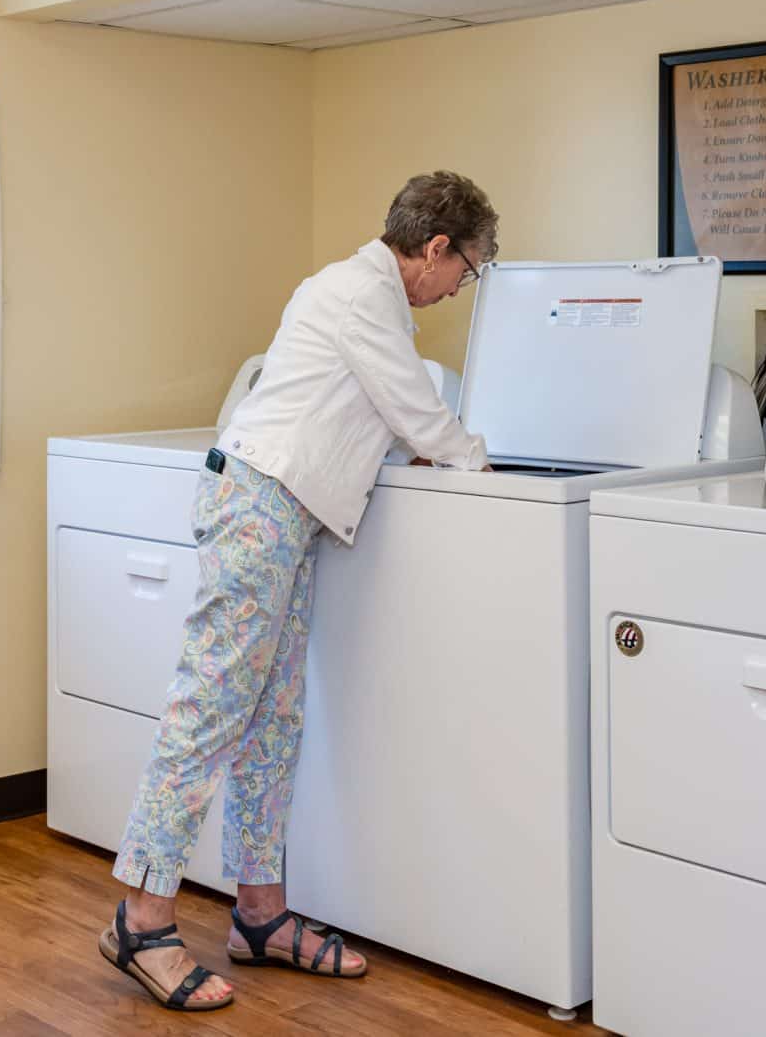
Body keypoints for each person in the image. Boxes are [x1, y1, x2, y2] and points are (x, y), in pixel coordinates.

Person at [98, 171, 499, 1011]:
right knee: (209, 709)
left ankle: (260, 913)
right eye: (467, 267)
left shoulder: (363, 294)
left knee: (272, 717)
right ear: (435, 247)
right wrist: (482, 464)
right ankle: (142, 917)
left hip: (288, 508)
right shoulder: (363, 295)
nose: (460, 285)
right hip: (260, 505)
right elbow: (416, 411)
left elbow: (380, 418)